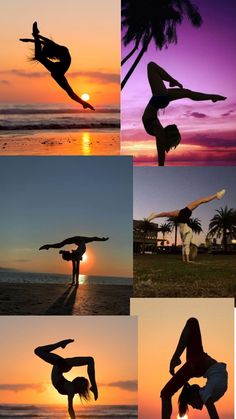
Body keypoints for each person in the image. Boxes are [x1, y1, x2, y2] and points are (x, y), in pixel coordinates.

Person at [142, 62, 226, 166]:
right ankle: (212, 97)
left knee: (151, 66)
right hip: (160, 99)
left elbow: (161, 154)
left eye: (172, 134)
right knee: (187, 92)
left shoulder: (160, 133)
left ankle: (174, 81)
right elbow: (161, 153)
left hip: (160, 99)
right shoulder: (159, 131)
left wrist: (161, 167)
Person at [160, 318, 228, 419]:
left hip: (198, 364)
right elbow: (212, 411)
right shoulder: (206, 394)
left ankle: (175, 358)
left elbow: (212, 411)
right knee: (192, 322)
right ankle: (175, 358)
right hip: (200, 362)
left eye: (192, 404)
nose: (197, 408)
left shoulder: (205, 394)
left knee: (165, 394)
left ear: (194, 396)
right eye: (193, 406)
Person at [19, 22, 94, 110]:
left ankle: (84, 103)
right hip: (57, 71)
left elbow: (48, 42)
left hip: (57, 71)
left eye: (49, 55)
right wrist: (33, 38)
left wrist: (36, 37)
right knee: (69, 91)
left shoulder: (62, 49)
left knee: (39, 57)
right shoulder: (62, 50)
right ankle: (84, 103)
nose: (50, 57)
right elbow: (47, 43)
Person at [147, 189, 225, 262]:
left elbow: (186, 245)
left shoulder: (188, 235)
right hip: (183, 217)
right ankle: (216, 195)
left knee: (200, 201)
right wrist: (185, 259)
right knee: (200, 201)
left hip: (183, 215)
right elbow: (185, 245)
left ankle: (216, 195)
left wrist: (186, 259)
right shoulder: (188, 235)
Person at [34, 339, 98, 419]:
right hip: (61, 365)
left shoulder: (71, 389)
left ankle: (61, 344)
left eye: (79, 380)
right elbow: (70, 409)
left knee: (38, 351)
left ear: (79, 385)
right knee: (90, 360)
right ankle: (94, 386)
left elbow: (70, 409)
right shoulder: (71, 388)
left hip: (61, 365)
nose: (77, 378)